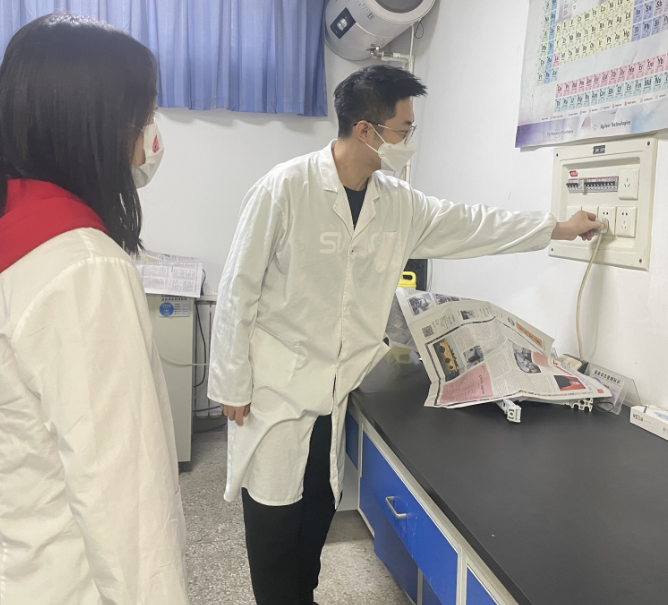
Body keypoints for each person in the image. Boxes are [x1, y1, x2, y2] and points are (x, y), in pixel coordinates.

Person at [208, 64, 603, 605]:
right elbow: (238, 288)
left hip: (334, 390)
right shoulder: (285, 188)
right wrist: (232, 382)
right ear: (366, 130)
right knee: (275, 521)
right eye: (404, 129)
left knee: (316, 513)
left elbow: (474, 223)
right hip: (275, 387)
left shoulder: (398, 202)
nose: (409, 140)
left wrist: (557, 228)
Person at [0, 14, 188, 604]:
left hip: (6, 558)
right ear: (95, 125)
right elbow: (125, 500)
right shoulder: (84, 267)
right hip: (65, 579)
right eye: (145, 115)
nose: (150, 137)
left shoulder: (3, 227)